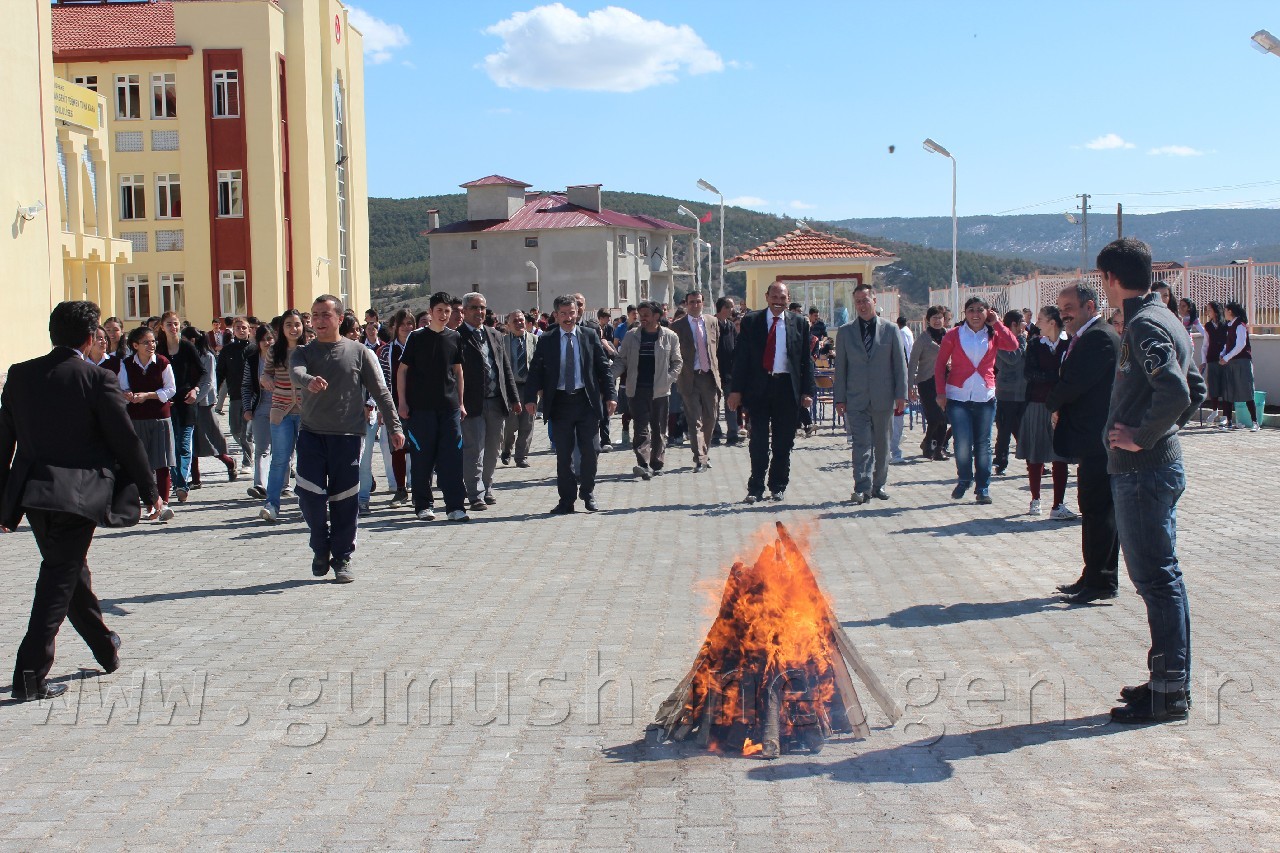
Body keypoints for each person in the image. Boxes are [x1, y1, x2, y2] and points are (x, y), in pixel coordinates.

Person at [1, 302, 161, 702]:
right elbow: (125, 441)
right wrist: (150, 491)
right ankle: (29, 676)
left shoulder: (19, 375)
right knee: (59, 578)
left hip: (34, 495)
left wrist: (3, 502)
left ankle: (105, 647)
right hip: (78, 497)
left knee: (70, 573)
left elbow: (4, 442)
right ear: (91, 338)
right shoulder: (97, 378)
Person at [1097, 237, 1206, 723]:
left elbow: (1178, 391)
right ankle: (1168, 680)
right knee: (1164, 579)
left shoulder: (1143, 324)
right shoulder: (1165, 317)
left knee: (1157, 581)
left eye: (1102, 280)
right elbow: (1197, 388)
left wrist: (1144, 437)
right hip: (1155, 469)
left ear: (1111, 279)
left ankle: (1170, 691)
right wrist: (1160, 433)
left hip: (1143, 473)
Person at [290, 295, 404, 582]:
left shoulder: (359, 352)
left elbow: (381, 392)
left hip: (348, 436)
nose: (319, 320)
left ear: (340, 319)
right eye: (315, 315)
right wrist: (309, 381)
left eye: (325, 315)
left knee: (345, 500)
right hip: (311, 435)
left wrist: (395, 427)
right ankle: (320, 546)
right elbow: (296, 372)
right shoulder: (303, 352)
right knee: (309, 495)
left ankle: (342, 557)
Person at [1047, 283, 1120, 604]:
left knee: (1098, 509)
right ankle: (1093, 575)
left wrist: (1053, 403)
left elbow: (1073, 382)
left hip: (1098, 438)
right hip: (1091, 437)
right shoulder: (1087, 336)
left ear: (1090, 306)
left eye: (1069, 308)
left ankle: (1102, 580)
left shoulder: (1099, 337)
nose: (1063, 314)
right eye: (1060, 308)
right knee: (1091, 508)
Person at [523, 294, 616, 514]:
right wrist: (530, 398)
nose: (568, 318)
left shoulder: (589, 336)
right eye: (563, 314)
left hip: (586, 402)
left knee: (591, 450)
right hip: (560, 403)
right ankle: (566, 500)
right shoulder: (547, 339)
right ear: (556, 315)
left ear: (577, 313)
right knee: (564, 455)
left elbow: (603, 367)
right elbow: (536, 369)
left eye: (571, 313)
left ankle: (588, 492)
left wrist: (611, 395)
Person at [728, 281, 815, 503]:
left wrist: (807, 391)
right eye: (774, 297)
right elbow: (741, 358)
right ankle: (755, 487)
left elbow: (806, 360)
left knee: (783, 442)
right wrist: (736, 390)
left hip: (787, 388)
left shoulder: (799, 323)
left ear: (788, 299)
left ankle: (778, 485)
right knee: (758, 440)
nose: (778, 302)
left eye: (782, 298)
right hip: (759, 388)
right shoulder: (752, 321)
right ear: (766, 297)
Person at [933, 297, 1020, 504]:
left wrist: (997, 323)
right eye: (971, 310)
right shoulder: (954, 334)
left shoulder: (993, 334)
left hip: (985, 396)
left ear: (987, 312)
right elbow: (940, 365)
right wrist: (941, 392)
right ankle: (964, 479)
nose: (975, 314)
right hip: (958, 396)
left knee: (983, 444)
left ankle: (983, 488)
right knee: (963, 443)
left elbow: (1013, 345)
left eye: (980, 310)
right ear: (965, 313)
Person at [397, 292, 468, 522]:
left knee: (452, 459)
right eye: (440, 311)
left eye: (447, 311)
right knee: (422, 459)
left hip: (449, 408)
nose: (444, 315)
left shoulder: (455, 337)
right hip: (421, 410)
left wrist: (461, 402)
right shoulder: (416, 337)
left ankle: (455, 506)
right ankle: (424, 505)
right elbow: (402, 371)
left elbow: (458, 372)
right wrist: (402, 402)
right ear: (430, 311)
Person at [834, 284, 907, 504]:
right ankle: (862, 487)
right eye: (858, 301)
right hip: (856, 399)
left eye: (865, 300)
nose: (862, 305)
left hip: (883, 398)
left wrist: (901, 395)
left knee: (882, 445)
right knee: (861, 445)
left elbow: (899, 365)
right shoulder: (845, 332)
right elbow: (841, 368)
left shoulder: (890, 330)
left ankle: (879, 484)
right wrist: (839, 398)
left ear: (874, 301)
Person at [457, 292, 520, 511]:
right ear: (464, 311)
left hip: (496, 402)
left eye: (482, 308)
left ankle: (487, 487)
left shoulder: (494, 334)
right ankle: (475, 494)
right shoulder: (457, 336)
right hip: (472, 403)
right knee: (474, 450)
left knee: (493, 449)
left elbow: (505, 368)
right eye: (474, 308)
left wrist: (514, 397)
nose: (479, 312)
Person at [118, 325, 179, 522]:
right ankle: (150, 504)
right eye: (146, 342)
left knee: (162, 462)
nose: (151, 345)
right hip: (136, 419)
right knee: (141, 463)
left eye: (153, 341)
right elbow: (122, 387)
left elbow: (171, 389)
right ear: (135, 345)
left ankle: (164, 503)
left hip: (160, 417)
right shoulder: (126, 364)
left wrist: (148, 396)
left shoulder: (162, 362)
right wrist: (128, 394)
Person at [1016, 307, 1072, 519]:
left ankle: (1058, 504)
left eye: (1041, 319)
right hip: (1038, 403)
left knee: (1060, 456)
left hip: (1063, 405)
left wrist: (1055, 378)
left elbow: (1072, 374)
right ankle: (1035, 499)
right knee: (1035, 454)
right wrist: (1056, 375)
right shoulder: (1034, 344)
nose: (1036, 323)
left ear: (1052, 322)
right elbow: (1030, 373)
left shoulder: (1070, 343)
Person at [617, 300, 682, 480]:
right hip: (637, 390)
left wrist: (668, 380)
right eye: (640, 315)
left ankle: (657, 463)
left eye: (646, 315)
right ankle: (643, 464)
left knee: (659, 428)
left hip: (660, 391)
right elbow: (621, 360)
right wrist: (608, 377)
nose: (642, 318)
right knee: (640, 428)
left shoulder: (670, 336)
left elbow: (677, 362)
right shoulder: (631, 336)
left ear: (656, 316)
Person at [259, 310, 305, 522]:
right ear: (282, 328)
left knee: (307, 460)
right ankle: (272, 504)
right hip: (281, 411)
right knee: (280, 459)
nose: (293, 329)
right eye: (289, 325)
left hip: (306, 413)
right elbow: (266, 374)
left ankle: (307, 503)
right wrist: (265, 379)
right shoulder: (274, 351)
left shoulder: (309, 349)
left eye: (297, 324)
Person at [670, 291, 722, 473]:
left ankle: (704, 452)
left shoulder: (712, 322)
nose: (695, 305)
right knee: (694, 420)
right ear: (686, 304)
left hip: (709, 377)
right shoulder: (677, 326)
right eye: (691, 302)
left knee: (711, 417)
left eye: (698, 302)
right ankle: (700, 457)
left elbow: (716, 348)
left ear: (703, 303)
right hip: (689, 377)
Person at [155, 311, 203, 503]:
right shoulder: (158, 349)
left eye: (175, 323)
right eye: (169, 324)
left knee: (184, 445)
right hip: (166, 403)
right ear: (162, 327)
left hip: (186, 402)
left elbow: (202, 372)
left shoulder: (187, 347)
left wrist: (195, 390)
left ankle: (181, 484)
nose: (173, 327)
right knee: (170, 446)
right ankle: (179, 483)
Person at [184, 326, 237, 485]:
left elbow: (208, 382)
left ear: (192, 340)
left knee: (209, 439)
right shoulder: (185, 355)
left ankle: (229, 462)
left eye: (184, 339)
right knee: (191, 441)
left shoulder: (207, 356)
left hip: (203, 404)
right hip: (188, 402)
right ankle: (196, 479)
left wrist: (195, 399)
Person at [377, 309, 415, 506]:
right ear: (395, 327)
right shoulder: (386, 352)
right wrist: (383, 409)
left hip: (419, 406)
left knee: (419, 448)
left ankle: (419, 487)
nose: (407, 328)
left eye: (410, 324)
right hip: (394, 406)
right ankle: (401, 489)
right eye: (403, 324)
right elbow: (381, 382)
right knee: (397, 447)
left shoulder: (420, 347)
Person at [909, 306, 947, 461]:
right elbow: (912, 363)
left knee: (943, 417)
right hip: (926, 382)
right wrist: (910, 386)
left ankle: (938, 449)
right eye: (934, 318)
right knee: (936, 417)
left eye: (940, 317)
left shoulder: (949, 336)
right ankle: (928, 443)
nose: (937, 321)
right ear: (928, 320)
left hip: (945, 381)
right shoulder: (923, 339)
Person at [241, 323, 275, 501]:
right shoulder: (253, 360)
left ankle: (283, 485)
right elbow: (246, 386)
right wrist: (247, 408)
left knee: (281, 450)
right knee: (262, 448)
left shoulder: (282, 359)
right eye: (263, 340)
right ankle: (260, 485)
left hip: (282, 408)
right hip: (260, 407)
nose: (267, 343)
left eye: (270, 339)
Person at [993, 310, 1028, 476]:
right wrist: (1022, 341)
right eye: (1022, 322)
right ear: (1014, 324)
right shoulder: (1000, 340)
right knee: (1004, 431)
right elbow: (1012, 358)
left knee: (1024, 431)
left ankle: (1034, 462)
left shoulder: (1024, 340)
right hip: (1006, 394)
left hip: (1023, 393)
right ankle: (1001, 462)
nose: (1025, 326)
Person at [217, 316, 253, 472]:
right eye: (238, 328)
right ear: (233, 330)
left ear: (249, 330)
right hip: (235, 394)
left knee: (245, 431)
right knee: (234, 430)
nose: (241, 330)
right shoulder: (227, 350)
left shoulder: (254, 349)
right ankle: (249, 449)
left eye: (244, 327)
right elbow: (220, 372)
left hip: (251, 395)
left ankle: (247, 461)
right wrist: (217, 391)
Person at [501, 310, 537, 468]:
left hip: (529, 387)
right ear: (508, 325)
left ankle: (521, 456)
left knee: (527, 424)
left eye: (521, 320)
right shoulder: (502, 341)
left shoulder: (535, 340)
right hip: (510, 387)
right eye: (515, 321)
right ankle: (506, 449)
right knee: (510, 424)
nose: (519, 323)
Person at [1219, 301, 1259, 431]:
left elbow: (1240, 345)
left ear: (1230, 311)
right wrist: (1222, 354)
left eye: (1225, 310)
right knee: (1228, 391)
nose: (1224, 313)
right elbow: (1228, 344)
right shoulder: (1230, 325)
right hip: (1231, 362)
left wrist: (1226, 357)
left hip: (1242, 362)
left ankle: (1255, 422)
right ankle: (1229, 422)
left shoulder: (1240, 325)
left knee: (1246, 391)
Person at [714, 297, 741, 447]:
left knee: (731, 404)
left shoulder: (730, 325)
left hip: (730, 372)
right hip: (714, 372)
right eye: (730, 307)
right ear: (723, 308)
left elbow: (736, 345)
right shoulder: (711, 324)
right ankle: (715, 433)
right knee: (714, 405)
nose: (732, 310)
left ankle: (732, 434)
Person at [1199, 301, 1229, 428]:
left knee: (1225, 386)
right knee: (1213, 386)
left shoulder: (1226, 325)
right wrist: (1203, 361)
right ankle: (1214, 410)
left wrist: (1224, 354)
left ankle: (1226, 415)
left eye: (1209, 310)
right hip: (1212, 359)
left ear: (1216, 311)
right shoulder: (1208, 326)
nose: (1208, 312)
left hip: (1224, 360)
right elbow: (1205, 345)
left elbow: (1229, 342)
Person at [890, 316, 915, 464]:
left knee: (897, 420)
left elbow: (903, 368)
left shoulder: (900, 344)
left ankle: (895, 451)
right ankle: (887, 451)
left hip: (897, 389)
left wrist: (905, 390)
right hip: (881, 390)